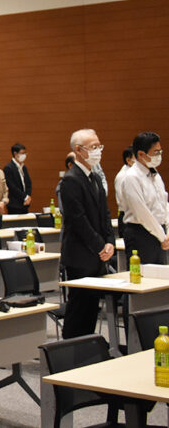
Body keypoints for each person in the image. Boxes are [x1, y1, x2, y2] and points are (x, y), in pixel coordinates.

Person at [60, 129, 116, 338]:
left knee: (92, 309)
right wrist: (100, 246)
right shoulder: (71, 180)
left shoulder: (95, 178)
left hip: (97, 255)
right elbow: (78, 220)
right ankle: (70, 351)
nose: (98, 150)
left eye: (99, 146)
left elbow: (105, 214)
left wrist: (110, 241)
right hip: (80, 255)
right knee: (79, 310)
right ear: (78, 150)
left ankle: (88, 349)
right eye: (93, 147)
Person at [119, 132, 167, 265]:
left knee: (161, 275)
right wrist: (162, 236)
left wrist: (166, 231)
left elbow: (164, 203)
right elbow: (141, 212)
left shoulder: (155, 174)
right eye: (156, 152)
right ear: (141, 154)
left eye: (160, 151)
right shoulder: (132, 177)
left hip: (159, 232)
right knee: (143, 275)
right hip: (140, 234)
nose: (159, 156)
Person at [4, 143, 33, 214]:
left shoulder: (24, 167)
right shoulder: (8, 168)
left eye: (25, 153)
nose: (24, 155)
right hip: (14, 204)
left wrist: (28, 196)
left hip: (25, 203)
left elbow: (28, 183)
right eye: (22, 153)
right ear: (15, 153)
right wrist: (24, 197)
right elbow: (12, 187)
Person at [114, 146, 135, 230]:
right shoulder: (122, 176)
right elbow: (123, 200)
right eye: (136, 157)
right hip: (127, 216)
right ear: (128, 160)